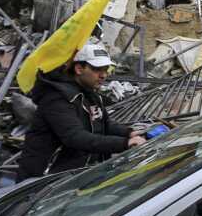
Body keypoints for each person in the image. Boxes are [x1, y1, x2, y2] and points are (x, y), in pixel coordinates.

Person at [18, 43, 146, 181]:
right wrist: (125, 143)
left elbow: (103, 125)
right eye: (97, 69)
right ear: (79, 68)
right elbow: (75, 137)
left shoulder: (90, 94)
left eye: (105, 69)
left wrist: (130, 133)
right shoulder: (57, 97)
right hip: (45, 180)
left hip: (75, 174)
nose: (103, 75)